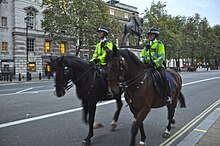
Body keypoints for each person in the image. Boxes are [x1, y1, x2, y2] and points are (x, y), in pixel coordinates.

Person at [140, 27, 172, 104]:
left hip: (157, 67)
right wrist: (141, 63)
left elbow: (161, 56)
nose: (149, 36)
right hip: (147, 66)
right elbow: (142, 56)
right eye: (149, 35)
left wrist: (154, 63)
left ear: (155, 36)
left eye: (151, 35)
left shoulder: (159, 44)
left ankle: (168, 96)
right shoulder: (146, 46)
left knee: (163, 77)